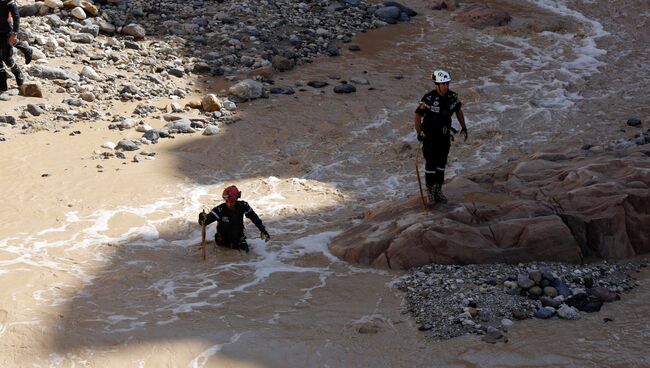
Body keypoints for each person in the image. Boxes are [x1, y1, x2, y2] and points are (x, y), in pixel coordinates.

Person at [413, 69, 468, 205]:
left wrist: (464, 127)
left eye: (447, 84)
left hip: (444, 136)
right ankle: (430, 192)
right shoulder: (429, 98)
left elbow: (458, 111)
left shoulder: (452, 96)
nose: (446, 86)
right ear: (437, 84)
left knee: (441, 165)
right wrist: (419, 133)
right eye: (443, 84)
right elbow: (417, 116)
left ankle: (438, 190)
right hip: (430, 137)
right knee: (431, 165)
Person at [198, 185, 270, 253]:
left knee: (248, 255)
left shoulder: (243, 205)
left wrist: (262, 229)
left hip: (239, 238)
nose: (229, 204)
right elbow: (204, 222)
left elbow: (254, 218)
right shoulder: (220, 209)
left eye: (231, 202)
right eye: (227, 201)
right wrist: (202, 217)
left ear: (236, 199)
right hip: (223, 241)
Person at [0, 0, 26, 92]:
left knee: (6, 58)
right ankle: (2, 87)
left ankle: (17, 72)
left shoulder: (9, 1)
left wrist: (15, 33)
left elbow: (16, 16)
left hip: (6, 32)